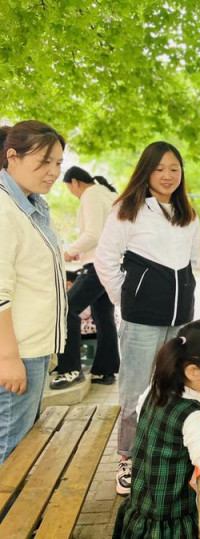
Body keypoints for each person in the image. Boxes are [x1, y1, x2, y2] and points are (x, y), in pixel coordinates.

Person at [95, 141, 200, 495]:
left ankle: (164, 452)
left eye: (174, 168)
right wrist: (127, 301)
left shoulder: (188, 214)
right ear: (146, 171)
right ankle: (127, 458)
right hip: (141, 320)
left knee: (172, 387)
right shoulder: (128, 209)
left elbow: (192, 261)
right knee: (136, 390)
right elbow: (105, 260)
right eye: (159, 169)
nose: (167, 175)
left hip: (180, 321)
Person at [112, 319, 200, 538]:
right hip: (170, 520)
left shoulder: (156, 387)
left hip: (142, 504)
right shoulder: (191, 414)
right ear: (193, 372)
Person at [0, 121, 67, 464]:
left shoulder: (33, 206)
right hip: (17, 353)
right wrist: (8, 358)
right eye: (44, 162)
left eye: (58, 163)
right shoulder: (4, 208)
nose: (53, 172)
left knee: (21, 447)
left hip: (33, 350)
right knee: (10, 451)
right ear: (12, 156)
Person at [50, 166, 120, 389]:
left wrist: (68, 252)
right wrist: (82, 251)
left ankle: (70, 370)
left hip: (97, 266)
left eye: (70, 188)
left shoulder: (90, 194)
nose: (73, 193)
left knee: (66, 309)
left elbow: (93, 233)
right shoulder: (108, 194)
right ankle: (104, 371)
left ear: (75, 182)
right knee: (103, 316)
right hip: (112, 264)